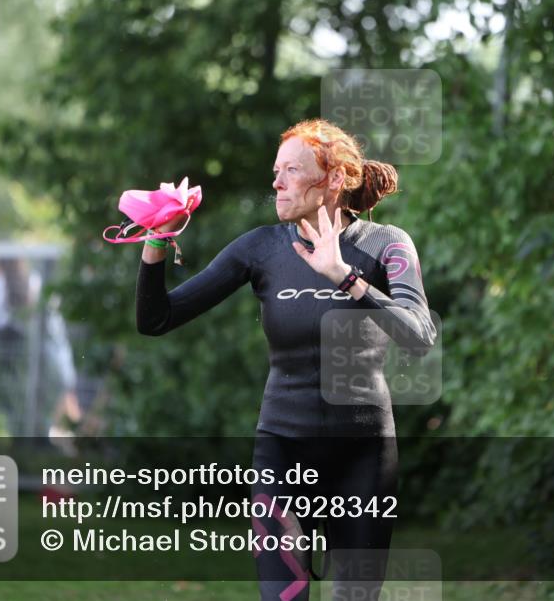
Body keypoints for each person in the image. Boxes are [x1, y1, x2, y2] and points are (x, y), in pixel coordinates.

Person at [135, 119, 437, 600]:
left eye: (291, 170)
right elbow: (157, 319)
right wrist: (154, 243)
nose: (276, 182)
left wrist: (345, 277)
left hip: (362, 454)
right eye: (276, 170)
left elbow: (420, 335)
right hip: (282, 452)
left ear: (333, 179)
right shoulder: (262, 248)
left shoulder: (386, 244)